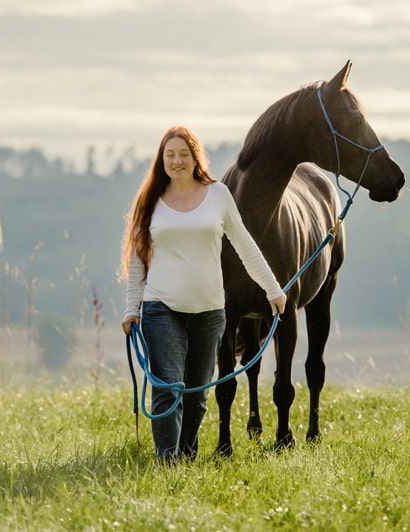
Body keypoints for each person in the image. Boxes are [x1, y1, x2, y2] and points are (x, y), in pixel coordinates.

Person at [119, 125, 286, 463]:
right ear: (161, 160)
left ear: (196, 158)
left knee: (196, 395)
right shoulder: (150, 199)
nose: (177, 160)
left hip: (209, 312)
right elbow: (138, 261)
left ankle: (186, 455)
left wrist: (273, 288)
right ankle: (169, 463)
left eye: (184, 154)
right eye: (170, 155)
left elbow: (244, 244)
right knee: (169, 388)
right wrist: (131, 309)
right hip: (161, 308)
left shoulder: (218, 195)